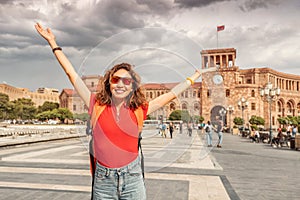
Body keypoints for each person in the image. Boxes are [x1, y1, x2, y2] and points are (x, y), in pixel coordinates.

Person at [34, 23, 202, 200]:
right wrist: (53, 43)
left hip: (133, 179)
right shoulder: (95, 104)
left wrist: (194, 77)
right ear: (109, 83)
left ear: (132, 87)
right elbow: (71, 73)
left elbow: (170, 95)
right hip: (103, 181)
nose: (121, 84)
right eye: (116, 80)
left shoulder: (140, 109)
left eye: (126, 81)